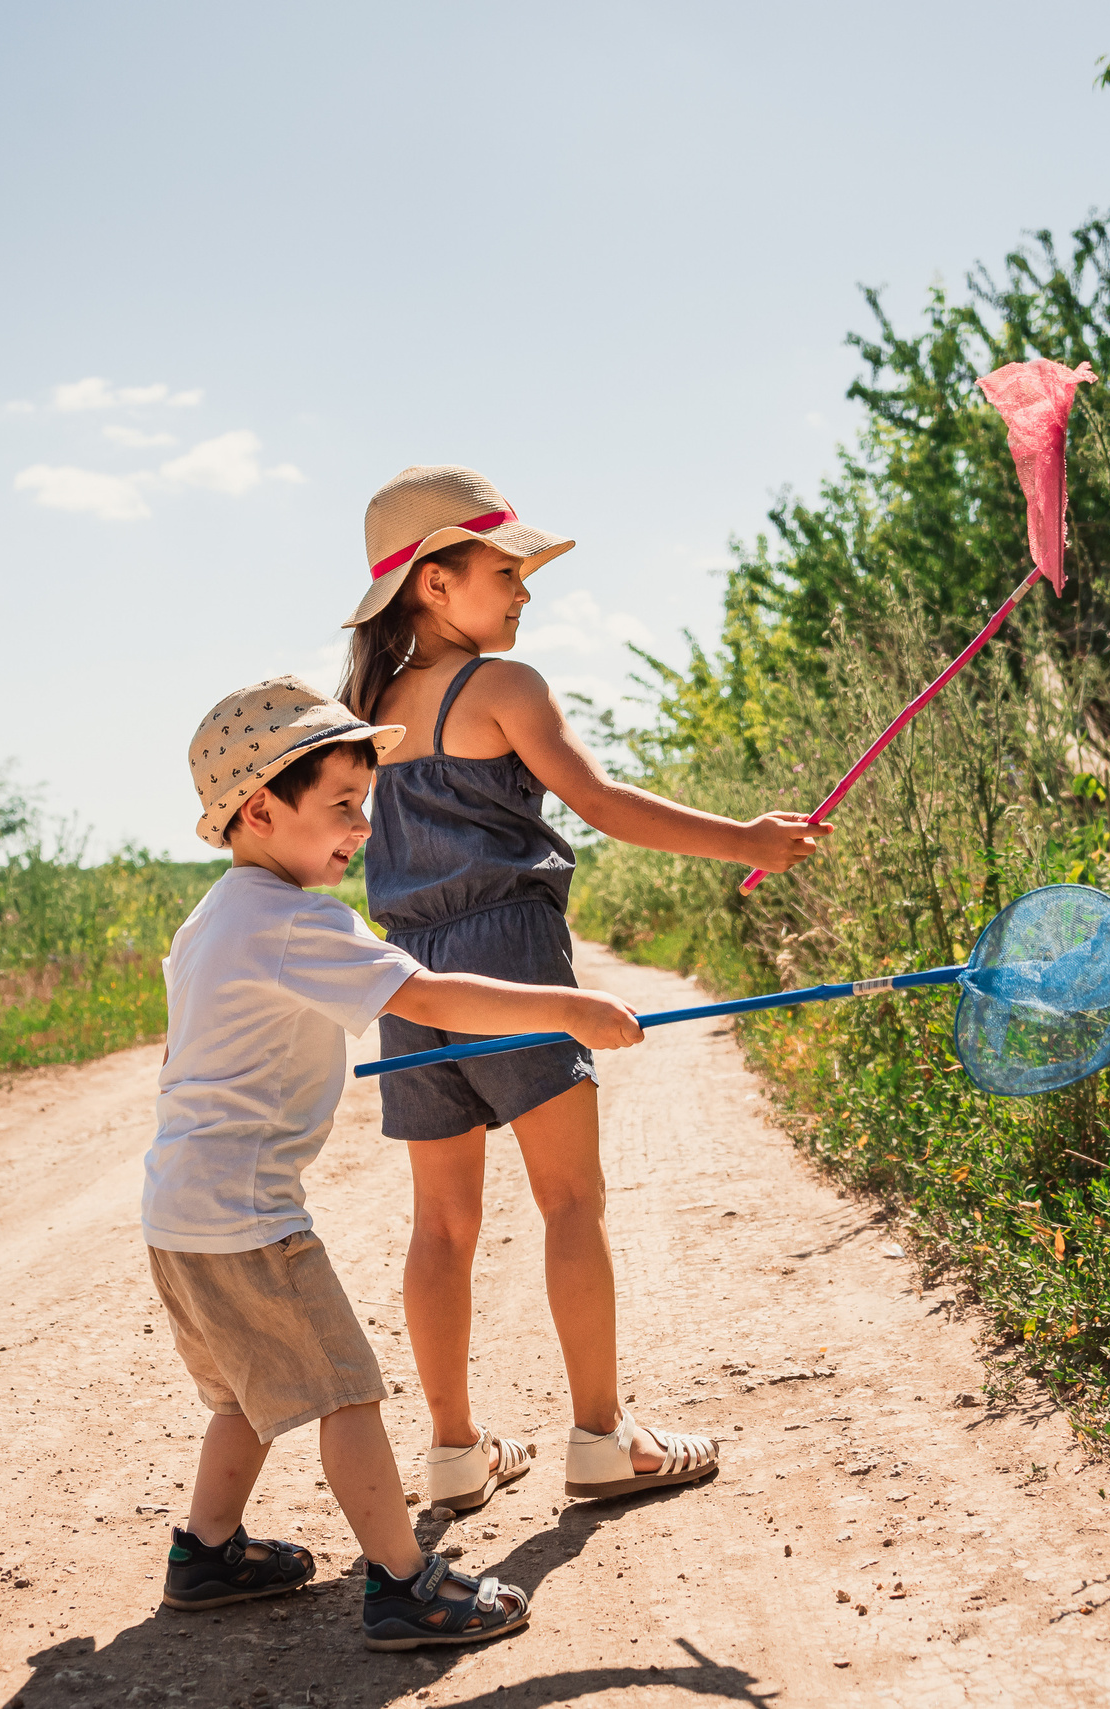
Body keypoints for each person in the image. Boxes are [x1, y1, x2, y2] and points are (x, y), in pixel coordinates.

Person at [336, 465, 832, 1512]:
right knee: (571, 1199)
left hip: (411, 984)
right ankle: (603, 1436)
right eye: (503, 569)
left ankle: (453, 1451)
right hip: (511, 960)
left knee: (440, 1227)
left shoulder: (363, 710)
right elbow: (599, 802)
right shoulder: (504, 689)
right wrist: (744, 838)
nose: (523, 591)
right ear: (433, 582)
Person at [146, 674, 643, 1651]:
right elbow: (430, 996)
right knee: (344, 1390)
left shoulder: (211, 917)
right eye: (340, 805)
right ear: (260, 807)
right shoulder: (295, 919)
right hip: (250, 1218)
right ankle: (405, 1583)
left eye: (364, 804)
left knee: (247, 1389)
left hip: (176, 1214)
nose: (361, 827)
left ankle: (206, 1551)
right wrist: (567, 1008)